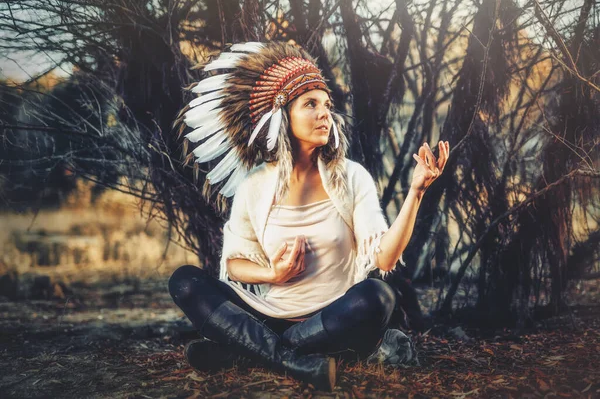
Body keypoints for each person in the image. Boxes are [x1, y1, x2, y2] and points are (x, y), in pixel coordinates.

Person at [169, 41, 449, 391]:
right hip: (268, 317)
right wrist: (273, 273)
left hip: (334, 317)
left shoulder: (351, 176)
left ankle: (244, 352)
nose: (325, 114)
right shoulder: (254, 186)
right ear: (281, 114)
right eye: (310, 104)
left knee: (377, 296)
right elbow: (236, 265)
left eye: (328, 105)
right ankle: (292, 359)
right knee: (184, 281)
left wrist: (416, 192)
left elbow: (385, 257)